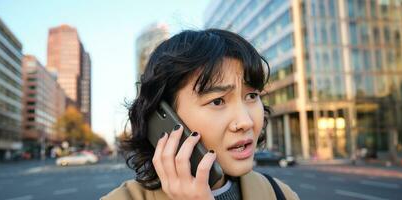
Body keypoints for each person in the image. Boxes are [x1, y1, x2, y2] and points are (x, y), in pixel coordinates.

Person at [102, 29, 299, 200]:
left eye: (251, 96)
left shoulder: (280, 194)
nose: (246, 122)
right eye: (217, 101)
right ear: (162, 119)